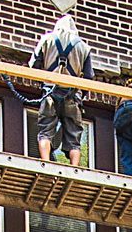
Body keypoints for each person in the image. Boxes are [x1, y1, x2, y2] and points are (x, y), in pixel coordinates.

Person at [27, 9, 94, 165]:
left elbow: (33, 66)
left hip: (50, 92)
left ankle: (45, 162)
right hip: (72, 95)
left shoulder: (47, 39)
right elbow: (89, 77)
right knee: (74, 135)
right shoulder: (83, 47)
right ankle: (74, 168)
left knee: (45, 130)